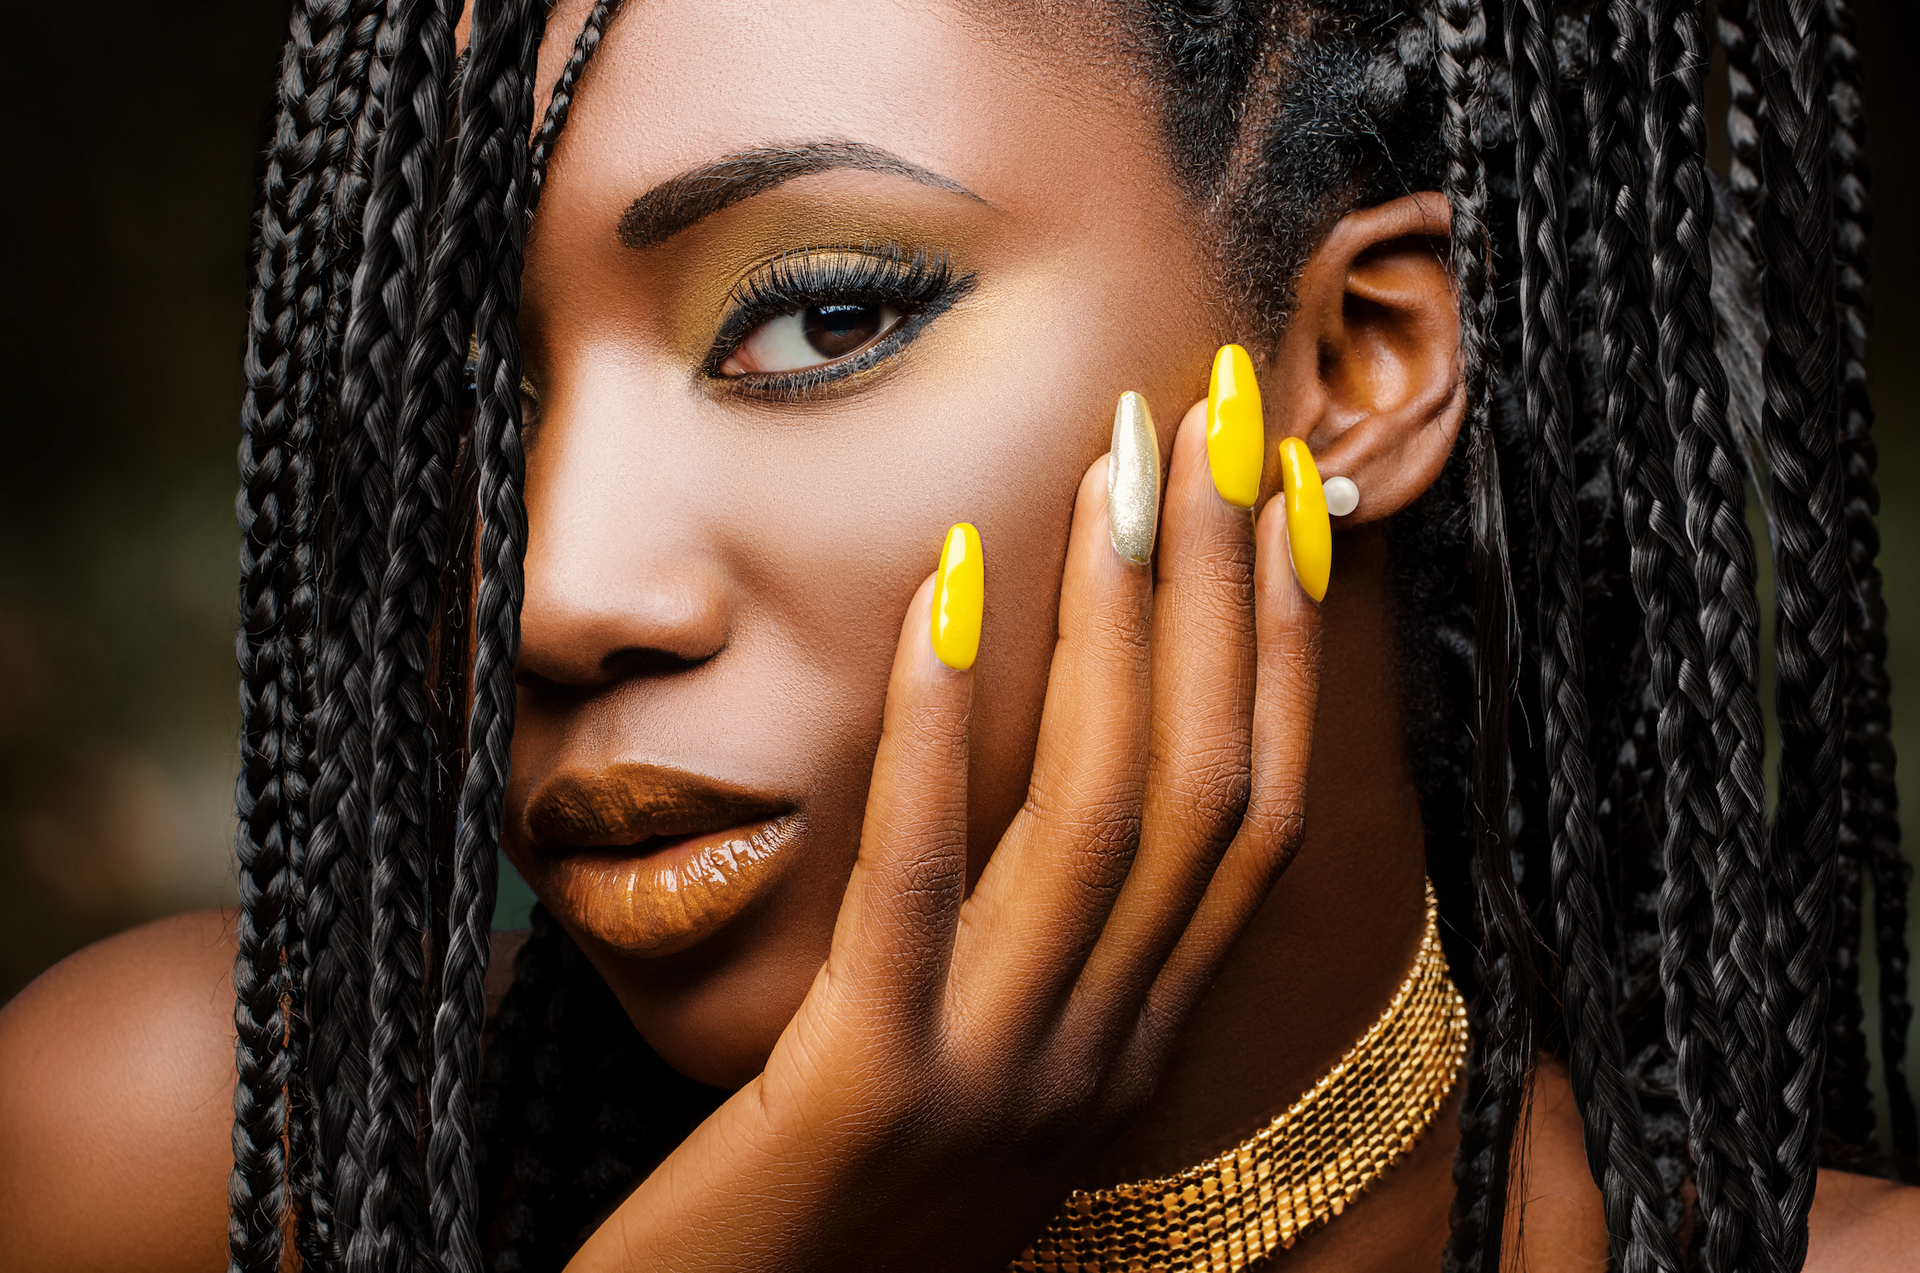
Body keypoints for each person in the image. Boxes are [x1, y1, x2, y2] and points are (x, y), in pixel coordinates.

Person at [3, 0, 1918, 1269]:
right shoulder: (169, 1158)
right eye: (463, 416)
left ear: (1359, 362)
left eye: (827, 318)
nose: (559, 595)